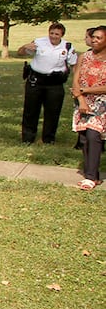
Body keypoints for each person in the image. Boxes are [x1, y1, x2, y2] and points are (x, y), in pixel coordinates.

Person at [21, 22, 78, 144]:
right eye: (51, 33)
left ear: (62, 35)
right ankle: (27, 138)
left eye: (56, 34)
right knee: (30, 110)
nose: (53, 36)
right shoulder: (39, 42)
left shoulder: (67, 47)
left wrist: (76, 83)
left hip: (55, 82)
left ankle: (48, 138)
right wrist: (25, 47)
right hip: (36, 80)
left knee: (53, 111)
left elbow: (74, 64)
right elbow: (21, 52)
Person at [71, 26, 106, 191]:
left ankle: (90, 177)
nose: (94, 40)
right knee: (84, 137)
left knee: (93, 134)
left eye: (99, 38)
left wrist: (85, 90)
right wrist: (81, 99)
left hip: (102, 102)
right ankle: (92, 174)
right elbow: (76, 80)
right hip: (82, 101)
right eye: (93, 37)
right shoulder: (83, 57)